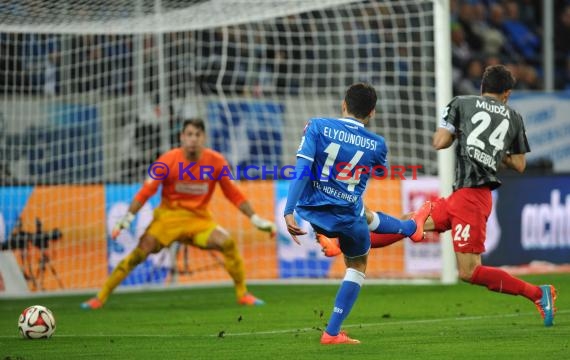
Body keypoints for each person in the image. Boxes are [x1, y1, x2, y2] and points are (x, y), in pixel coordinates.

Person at [284, 83, 430, 345]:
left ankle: (406, 228)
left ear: (344, 104)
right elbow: (377, 171)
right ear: (372, 112)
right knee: (357, 265)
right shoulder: (378, 144)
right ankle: (331, 332)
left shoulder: (317, 125)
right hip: (347, 217)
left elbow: (303, 168)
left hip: (311, 209)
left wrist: (289, 210)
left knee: (362, 211)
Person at [82, 118, 275, 309]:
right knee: (141, 252)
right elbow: (146, 191)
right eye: (189, 134)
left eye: (197, 135)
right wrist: (127, 218)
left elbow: (233, 193)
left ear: (204, 137)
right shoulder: (167, 160)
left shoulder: (216, 162)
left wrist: (255, 218)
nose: (193, 139)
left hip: (198, 220)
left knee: (227, 243)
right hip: (168, 219)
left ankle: (243, 294)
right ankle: (101, 297)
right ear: (182, 137)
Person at [428, 64, 556, 326]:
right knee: (414, 222)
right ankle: (355, 237)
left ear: (482, 86)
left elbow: (439, 142)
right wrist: (496, 150)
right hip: (470, 195)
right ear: (507, 93)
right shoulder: (514, 117)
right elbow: (519, 165)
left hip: (470, 195)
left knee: (469, 271)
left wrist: (456, 132)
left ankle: (537, 293)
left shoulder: (461, 103)